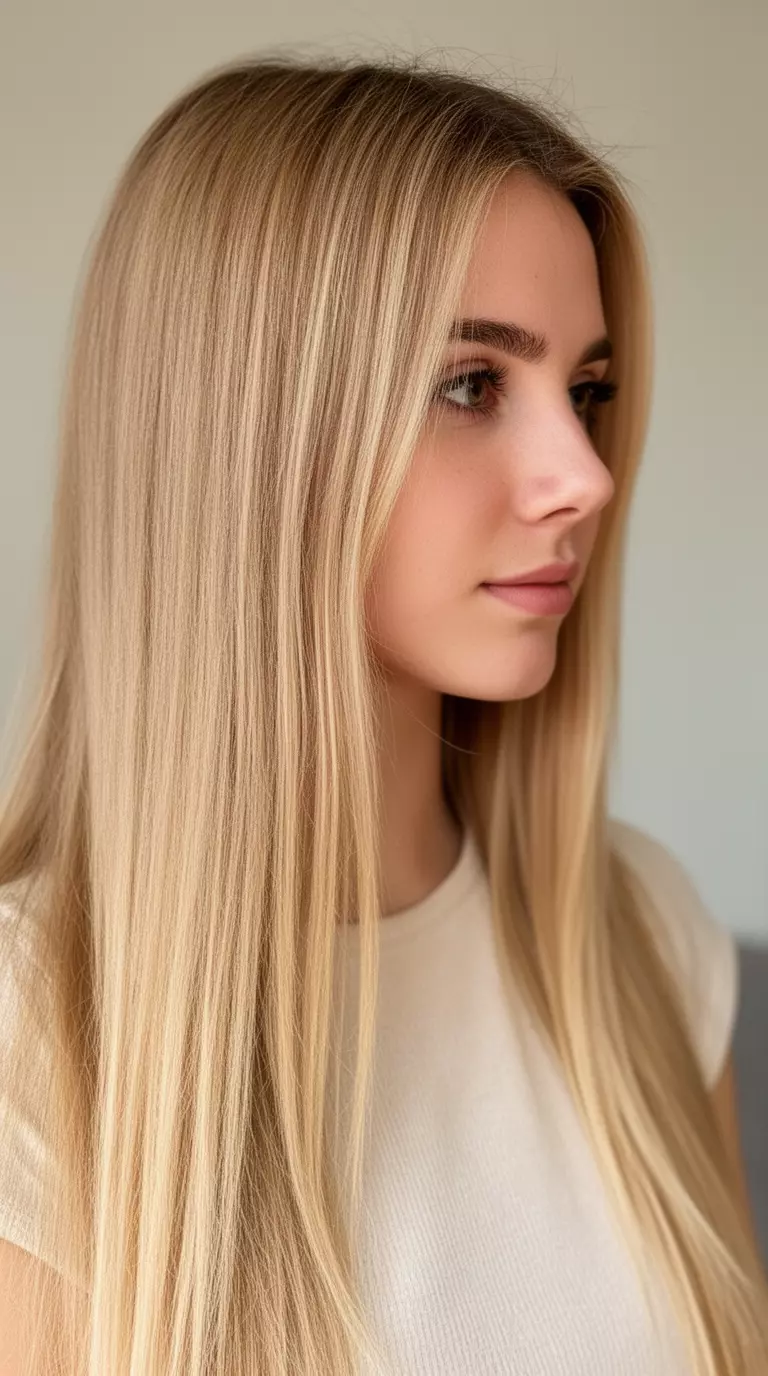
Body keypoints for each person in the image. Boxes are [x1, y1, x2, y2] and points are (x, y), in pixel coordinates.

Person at [0, 50, 765, 1376]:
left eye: (587, 390)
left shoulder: (644, 942)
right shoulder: (32, 1037)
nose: (584, 474)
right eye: (473, 384)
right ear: (248, 432)